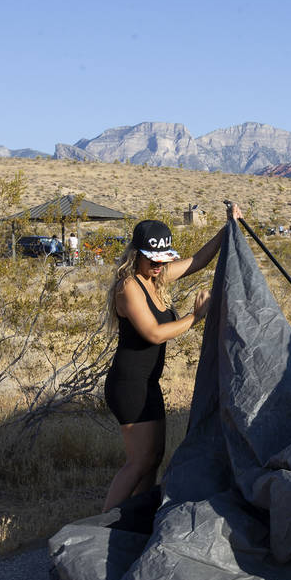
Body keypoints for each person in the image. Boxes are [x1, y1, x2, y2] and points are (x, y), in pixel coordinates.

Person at [101, 203, 242, 511]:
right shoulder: (128, 287)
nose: (157, 265)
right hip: (128, 385)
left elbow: (198, 261)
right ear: (136, 254)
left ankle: (134, 519)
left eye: (162, 259)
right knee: (138, 463)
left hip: (148, 383)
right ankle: (103, 525)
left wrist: (228, 227)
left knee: (153, 459)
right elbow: (152, 333)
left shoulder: (157, 277)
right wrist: (195, 317)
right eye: (152, 259)